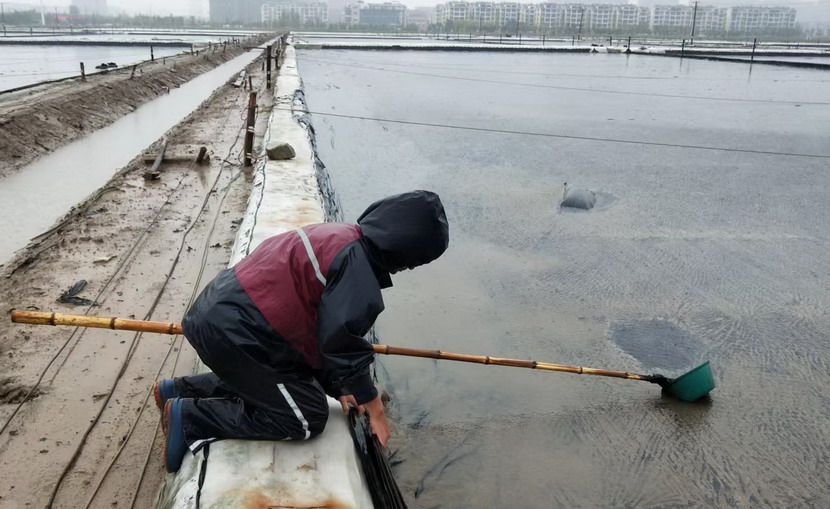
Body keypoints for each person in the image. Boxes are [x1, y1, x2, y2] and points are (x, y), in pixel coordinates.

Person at [153, 190, 450, 472]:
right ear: (406, 249)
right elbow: (342, 344)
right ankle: (189, 418)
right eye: (417, 261)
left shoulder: (339, 235)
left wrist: (340, 388)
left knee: (294, 384)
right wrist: (375, 409)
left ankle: (178, 389)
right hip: (240, 335)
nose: (410, 268)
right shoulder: (357, 271)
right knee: (305, 416)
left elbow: (316, 336)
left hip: (219, 316)